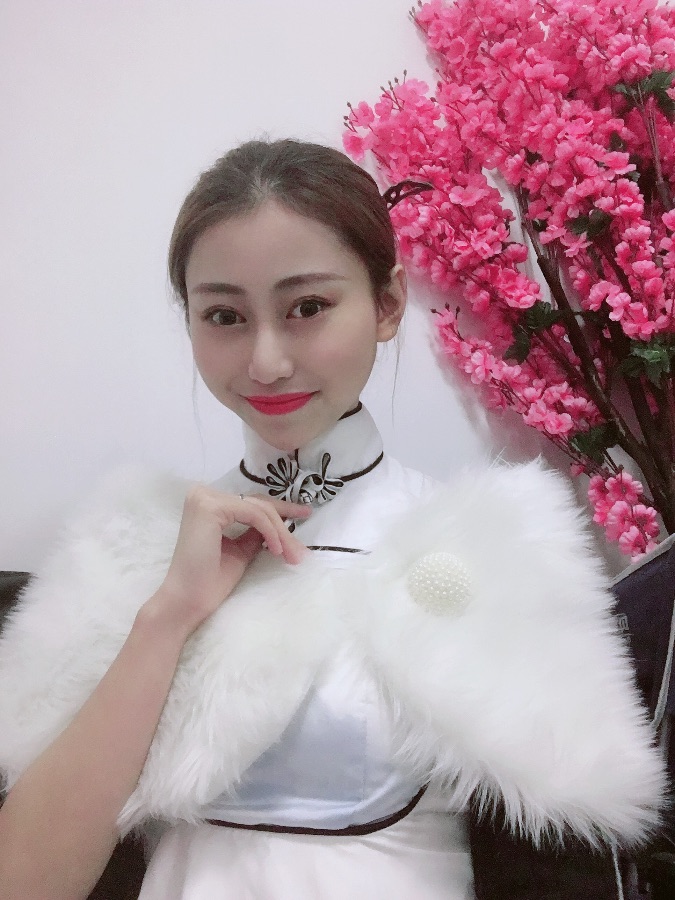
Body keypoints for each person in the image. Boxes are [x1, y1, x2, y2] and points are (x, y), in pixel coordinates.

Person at [0, 139, 667, 900]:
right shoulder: (132, 544)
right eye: (224, 315)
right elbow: (25, 882)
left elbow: (566, 864)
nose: (267, 361)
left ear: (387, 304)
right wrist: (168, 617)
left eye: (308, 307)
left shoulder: (490, 541)